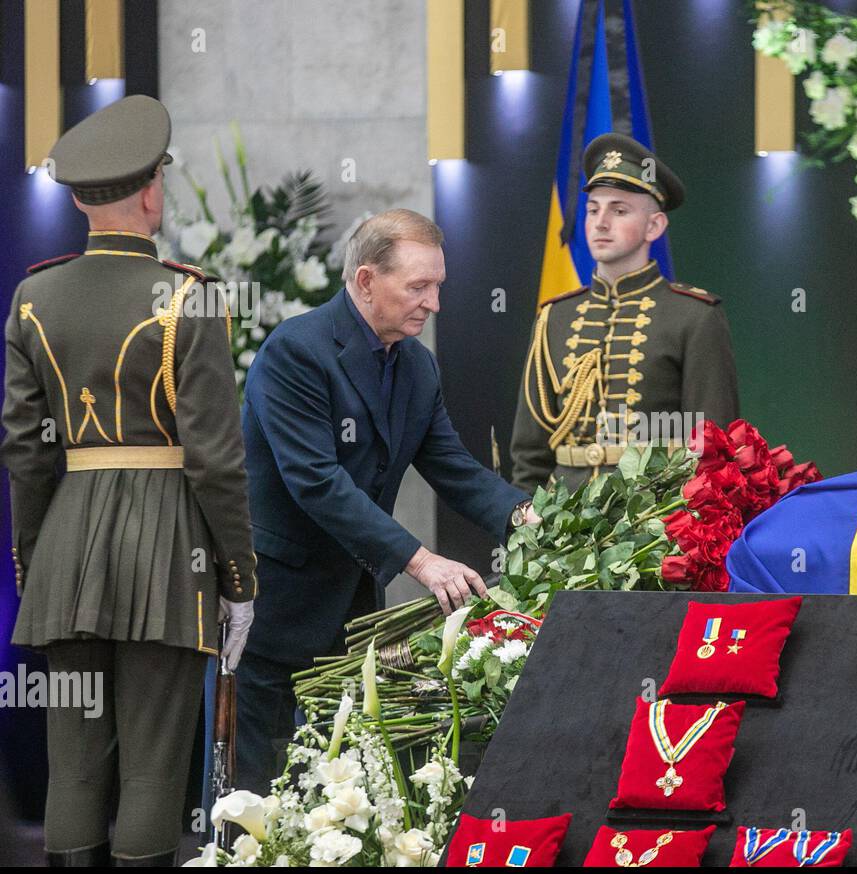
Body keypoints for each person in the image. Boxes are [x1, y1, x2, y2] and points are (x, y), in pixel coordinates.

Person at [1, 95, 257, 866]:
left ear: (80, 199)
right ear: (151, 192)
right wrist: (240, 576)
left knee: (73, 765)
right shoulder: (190, 294)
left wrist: (34, 557)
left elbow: (25, 449)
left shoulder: (32, 296)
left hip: (67, 545)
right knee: (152, 767)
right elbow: (216, 458)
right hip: (168, 550)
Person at [237, 209, 537, 793]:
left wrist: (525, 518)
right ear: (367, 280)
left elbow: (453, 467)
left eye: (438, 287)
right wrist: (421, 561)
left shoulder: (418, 365)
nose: (434, 303)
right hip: (277, 609)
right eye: (419, 286)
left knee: (337, 795)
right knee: (257, 793)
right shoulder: (296, 351)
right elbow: (318, 482)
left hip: (352, 613)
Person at [511, 132, 740, 493]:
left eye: (619, 210)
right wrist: (524, 524)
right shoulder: (554, 317)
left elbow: (712, 443)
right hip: (558, 515)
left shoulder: (694, 316)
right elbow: (530, 451)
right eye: (593, 209)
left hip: (653, 519)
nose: (601, 222)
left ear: (654, 226)